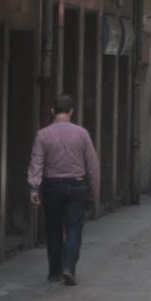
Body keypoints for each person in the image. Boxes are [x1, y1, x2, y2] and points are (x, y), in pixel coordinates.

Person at [27, 94, 99, 286]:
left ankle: (54, 271)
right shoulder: (82, 134)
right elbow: (92, 164)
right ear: (71, 112)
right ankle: (69, 267)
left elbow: (36, 163)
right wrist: (93, 188)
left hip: (52, 186)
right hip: (77, 185)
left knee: (53, 229)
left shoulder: (42, 135)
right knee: (74, 228)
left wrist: (34, 188)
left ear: (52, 111)